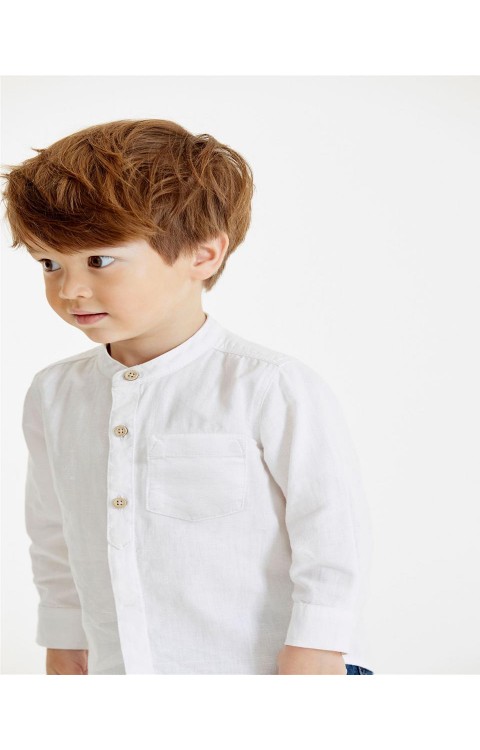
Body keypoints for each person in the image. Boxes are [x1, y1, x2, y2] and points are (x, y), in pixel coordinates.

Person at [2, 118, 374, 675]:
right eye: (49, 263)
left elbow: (331, 527)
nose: (70, 289)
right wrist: (65, 638)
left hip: (268, 670)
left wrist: (318, 645)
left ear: (203, 254)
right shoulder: (54, 393)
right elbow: (54, 531)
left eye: (99, 260)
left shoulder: (267, 385)